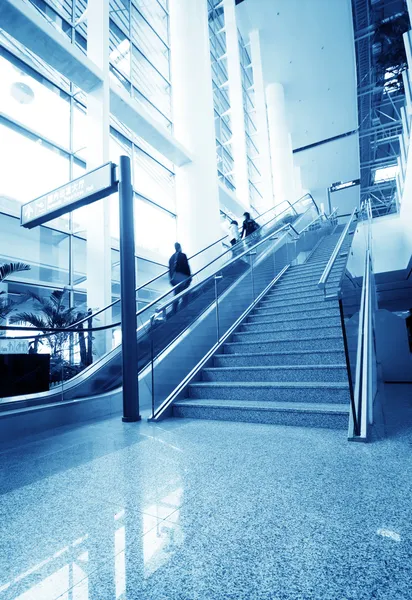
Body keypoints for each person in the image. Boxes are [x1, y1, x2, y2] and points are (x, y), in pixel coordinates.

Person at [169, 242, 192, 314]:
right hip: (183, 279)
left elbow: (170, 270)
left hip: (175, 280)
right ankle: (184, 311)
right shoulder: (183, 255)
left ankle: (174, 312)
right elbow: (186, 267)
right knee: (185, 295)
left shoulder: (171, 258)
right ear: (180, 247)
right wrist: (189, 277)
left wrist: (172, 279)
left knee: (176, 296)